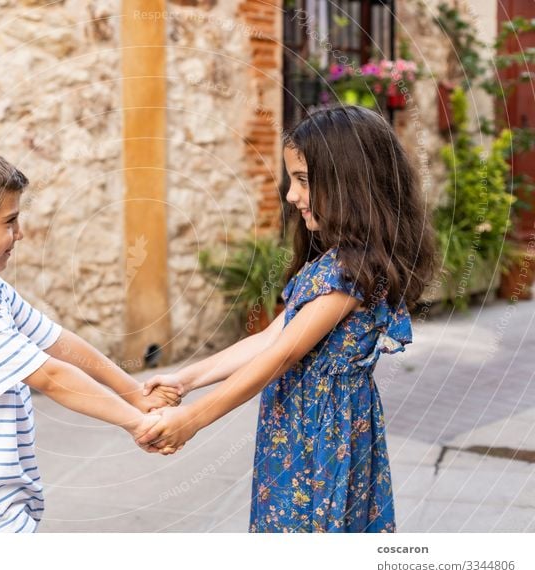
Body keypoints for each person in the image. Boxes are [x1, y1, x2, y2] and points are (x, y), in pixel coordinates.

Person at [140, 106, 438, 533]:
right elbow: (267, 339)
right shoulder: (332, 261)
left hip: (321, 439)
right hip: (299, 429)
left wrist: (193, 420)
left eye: (302, 180)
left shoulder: (349, 274)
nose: (291, 196)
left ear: (348, 184)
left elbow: (281, 356)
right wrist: (184, 381)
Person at [0, 143, 178, 532]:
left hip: (2, 504)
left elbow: (57, 342)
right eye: (9, 221)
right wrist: (137, 423)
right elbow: (53, 376)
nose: (20, 233)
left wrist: (134, 392)